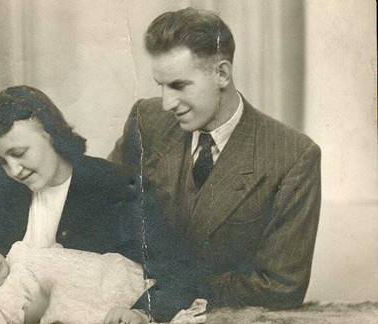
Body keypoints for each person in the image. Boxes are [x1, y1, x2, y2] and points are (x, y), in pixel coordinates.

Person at [110, 7, 322, 310]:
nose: (168, 102)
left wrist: (171, 292)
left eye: (179, 85)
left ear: (221, 73)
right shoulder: (147, 120)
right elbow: (105, 207)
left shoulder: (293, 156)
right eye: (161, 85)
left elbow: (281, 287)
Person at [0, 85, 203, 323]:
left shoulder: (116, 187)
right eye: (1, 160)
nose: (13, 170)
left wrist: (141, 312)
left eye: (20, 153)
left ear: (51, 134)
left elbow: (179, 270)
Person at [0, 242, 161, 324]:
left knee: (115, 272)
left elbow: (57, 256)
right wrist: (34, 314)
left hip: (91, 275)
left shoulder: (18, 253)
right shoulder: (2, 298)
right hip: (72, 304)